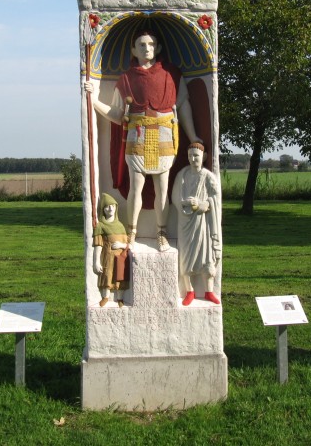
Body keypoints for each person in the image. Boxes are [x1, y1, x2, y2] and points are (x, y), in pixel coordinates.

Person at [85, 30, 200, 250]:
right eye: (142, 44)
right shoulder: (126, 78)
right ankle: (132, 233)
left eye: (151, 44)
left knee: (162, 190)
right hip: (136, 137)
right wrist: (94, 100)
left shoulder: (172, 74)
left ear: (158, 48)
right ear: (133, 50)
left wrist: (193, 135)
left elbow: (183, 105)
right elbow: (118, 114)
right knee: (135, 189)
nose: (147, 48)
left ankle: (161, 233)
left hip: (164, 136)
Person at [171, 142, 221, 306]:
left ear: (204, 157)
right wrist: (186, 204)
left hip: (203, 223)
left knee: (206, 256)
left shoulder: (208, 177)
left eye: (196, 156)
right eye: (190, 156)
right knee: (186, 257)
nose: (193, 159)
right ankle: (189, 291)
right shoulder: (182, 175)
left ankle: (209, 291)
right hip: (186, 222)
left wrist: (202, 204)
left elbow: (215, 199)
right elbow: (175, 197)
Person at [93, 193, 130, 307]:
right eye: (107, 206)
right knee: (107, 275)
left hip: (120, 257)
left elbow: (127, 244)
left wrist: (121, 245)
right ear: (103, 210)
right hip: (107, 257)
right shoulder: (100, 226)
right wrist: (96, 261)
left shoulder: (120, 226)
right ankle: (105, 297)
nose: (110, 209)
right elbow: (98, 244)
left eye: (112, 206)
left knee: (120, 276)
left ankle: (120, 298)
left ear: (116, 207)